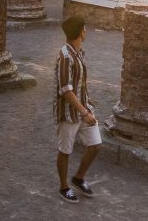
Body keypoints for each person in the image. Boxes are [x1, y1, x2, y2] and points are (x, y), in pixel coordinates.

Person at [53, 15, 102, 203]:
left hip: (84, 108)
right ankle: (64, 187)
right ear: (80, 31)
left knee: (96, 145)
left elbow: (79, 83)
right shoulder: (65, 56)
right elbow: (65, 90)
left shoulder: (79, 52)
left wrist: (87, 102)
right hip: (68, 113)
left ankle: (78, 178)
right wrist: (84, 112)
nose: (86, 31)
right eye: (85, 28)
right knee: (65, 150)